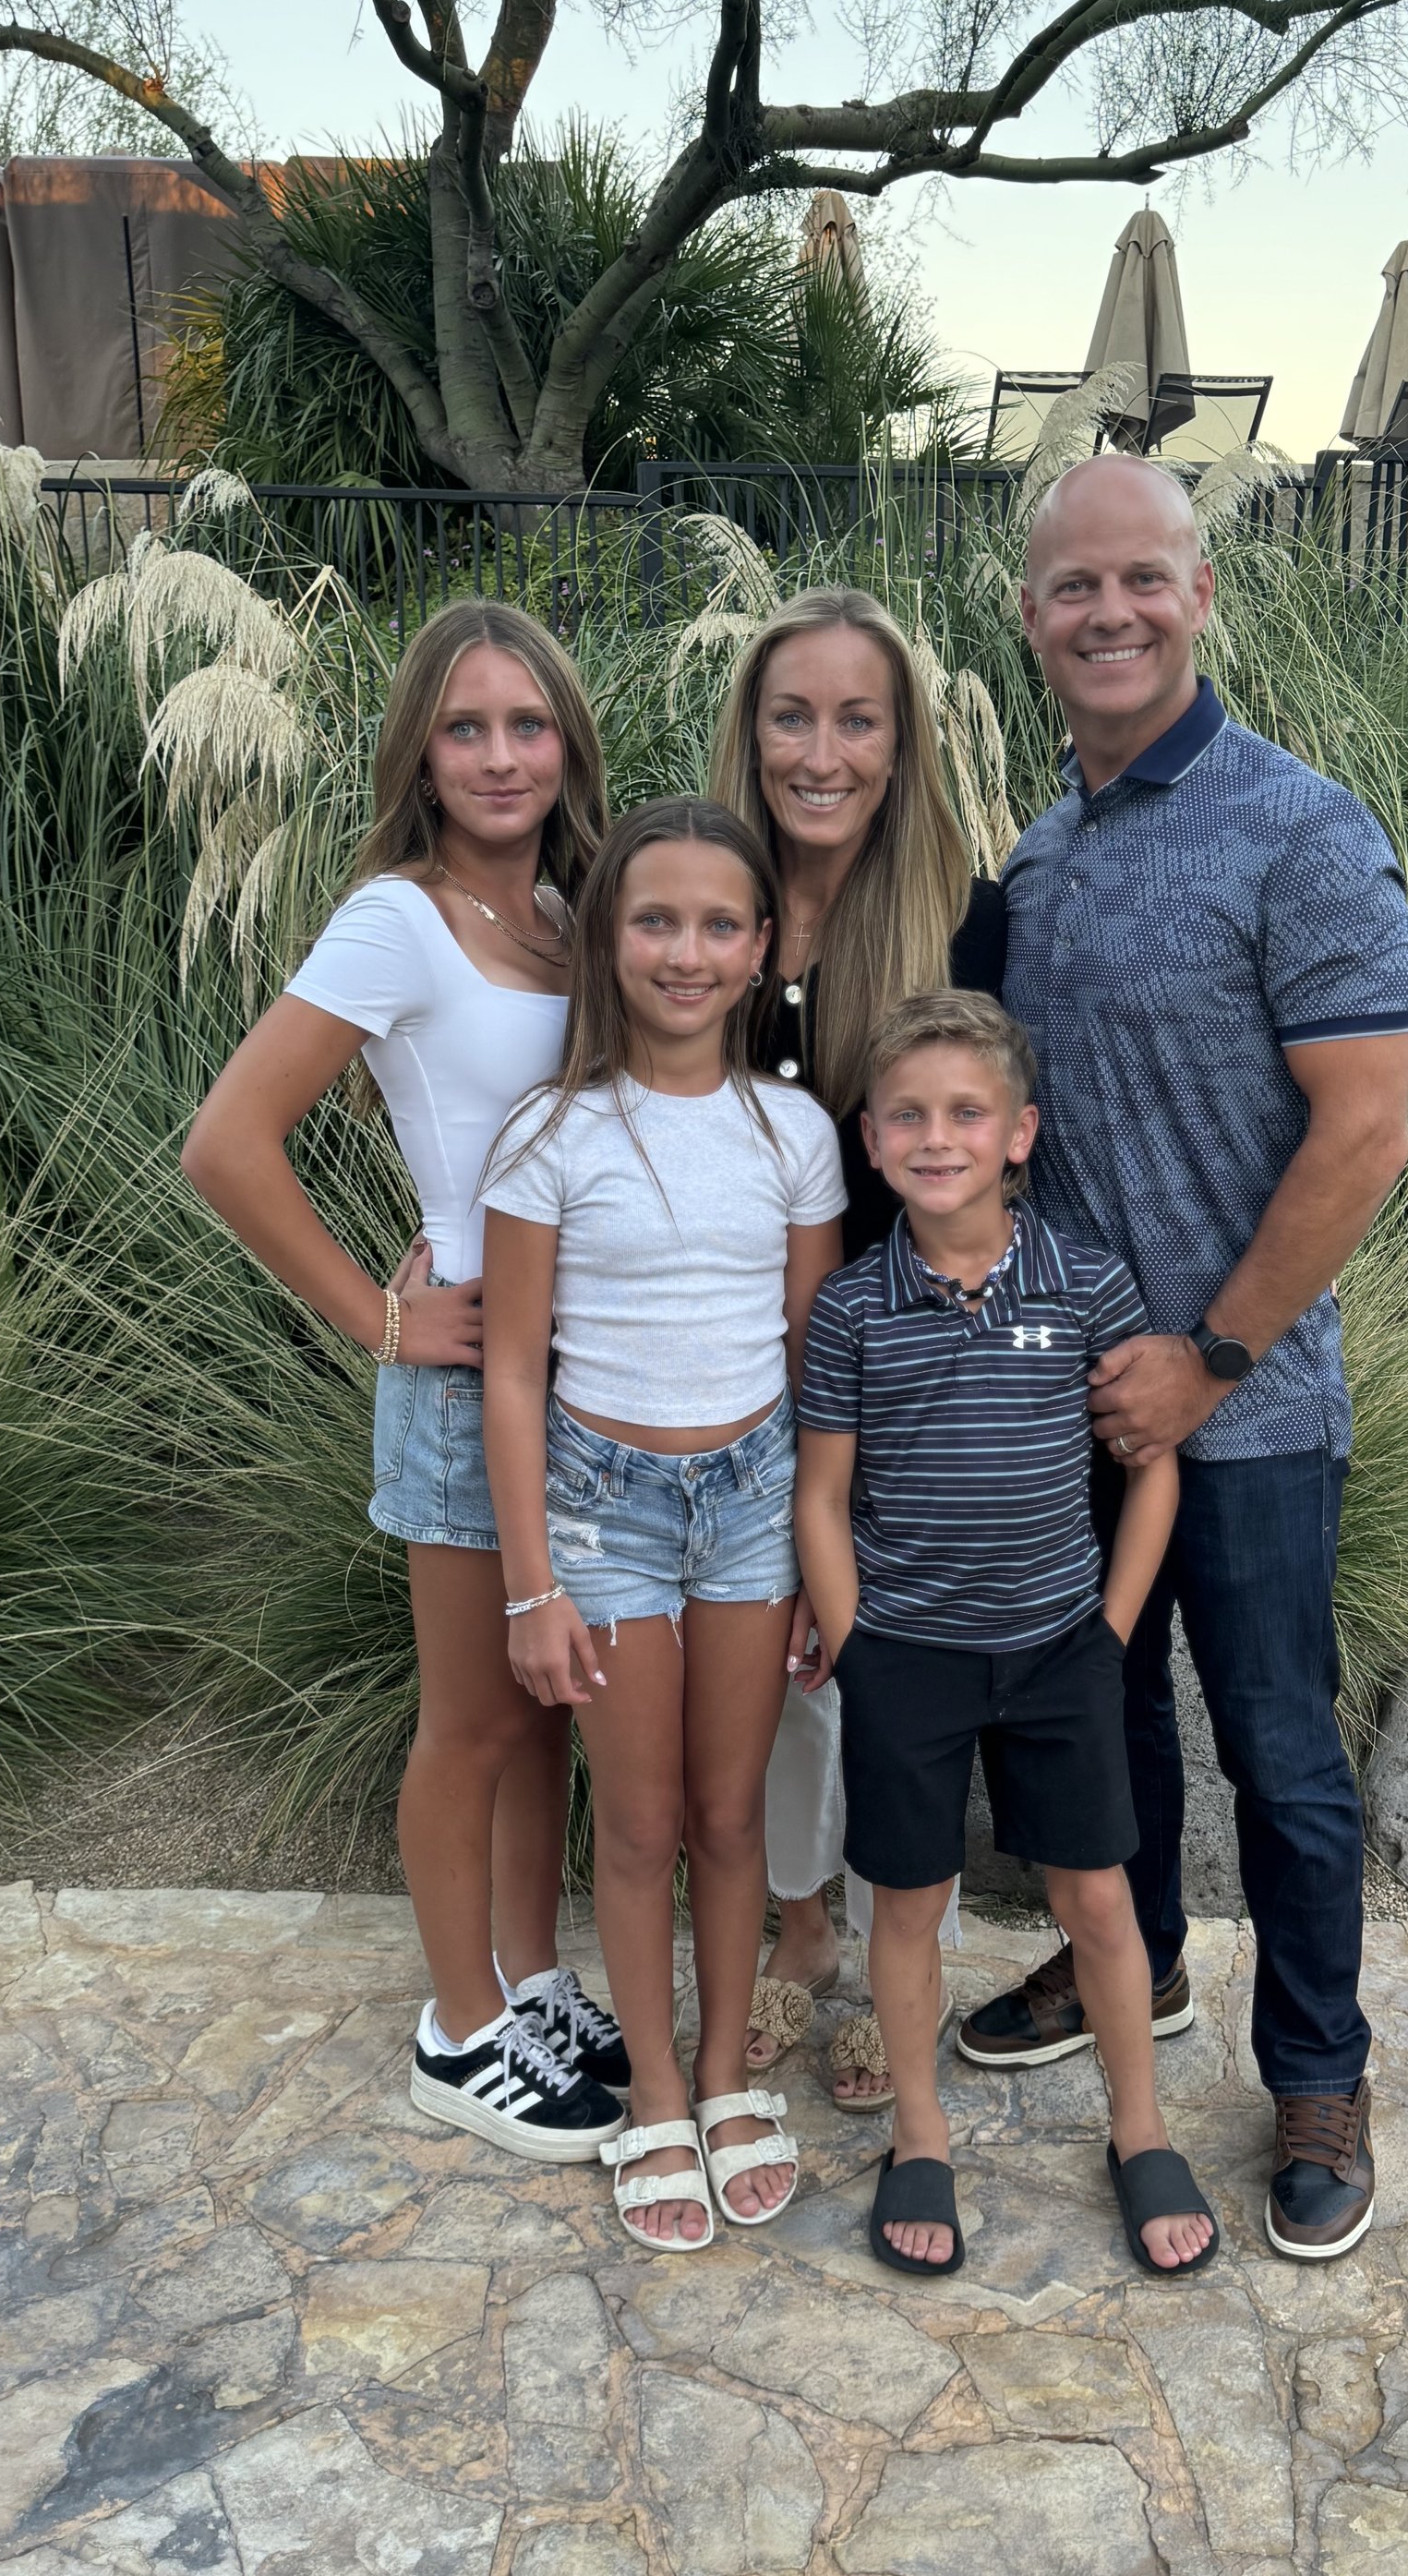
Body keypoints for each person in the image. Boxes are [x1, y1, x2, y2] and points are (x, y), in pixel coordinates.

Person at [970, 456, 1408, 2265]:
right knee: (1098, 1714)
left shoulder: (1298, 828)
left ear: (1200, 593)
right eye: (1072, 585)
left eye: (1141, 578)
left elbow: (1361, 1130)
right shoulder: (1038, 854)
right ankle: (1130, 1962)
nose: (1107, 612)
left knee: (1277, 1751)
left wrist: (1212, 1355)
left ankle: (1314, 2067)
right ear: (1027, 616)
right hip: (1067, 1397)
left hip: (1244, 1410)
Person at [181, 601, 632, 2163]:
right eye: (465, 728)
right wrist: (376, 1318)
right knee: (471, 1725)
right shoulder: (401, 918)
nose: (501, 756)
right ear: (420, 757)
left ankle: (527, 1980)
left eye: (526, 724)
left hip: (585, 1385)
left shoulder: (577, 915)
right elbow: (227, 1145)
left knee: (546, 1706)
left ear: (566, 739)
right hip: (464, 1384)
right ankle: (458, 2033)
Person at [795, 990, 1218, 2277]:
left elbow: (1152, 1467)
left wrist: (1111, 1627)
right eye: (908, 1116)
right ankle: (919, 2135)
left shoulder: (1085, 1282)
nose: (937, 1138)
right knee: (908, 1902)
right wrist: (855, 1642)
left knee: (1097, 1895)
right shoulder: (854, 1311)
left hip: (1056, 1650)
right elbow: (821, 1492)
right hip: (907, 1655)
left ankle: (1137, 2128)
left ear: (1019, 1132)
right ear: (869, 1141)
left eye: (966, 1112)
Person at [479, 798, 846, 2251]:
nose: (683, 953)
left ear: (761, 947)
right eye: (653, 920)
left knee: (725, 1810)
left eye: (715, 926)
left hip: (755, 1504)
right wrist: (530, 1584)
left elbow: (816, 1352)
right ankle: (648, 2097)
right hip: (607, 1512)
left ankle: (722, 2076)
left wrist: (829, 1553)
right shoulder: (552, 1133)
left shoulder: (794, 1129)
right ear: (606, 938)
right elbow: (513, 1368)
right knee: (633, 1824)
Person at [708, 586, 1005, 2106]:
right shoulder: (702, 899)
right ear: (751, 729)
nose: (820, 752)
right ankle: (800, 1931)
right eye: (792, 715)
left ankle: (897, 1941)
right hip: (718, 1371)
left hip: (911, 1372)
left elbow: (1001, 1150)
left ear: (903, 743)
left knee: (884, 1663)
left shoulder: (961, 914)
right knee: (772, 1659)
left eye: (858, 718)